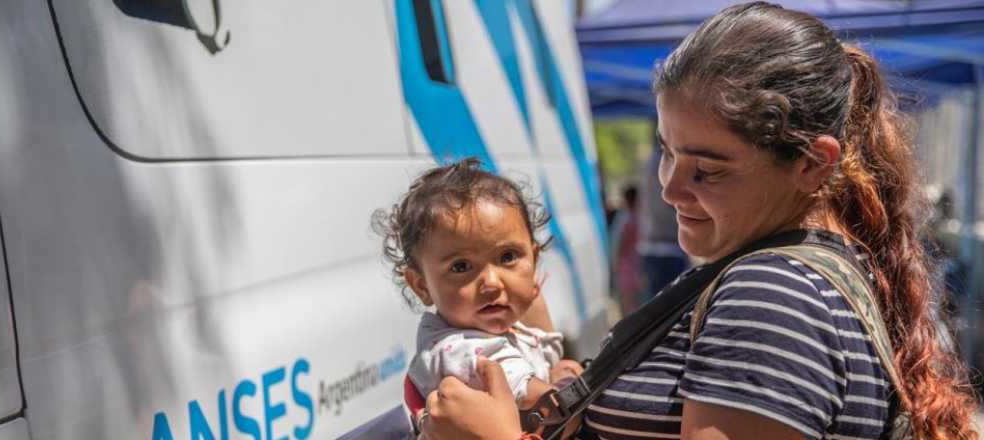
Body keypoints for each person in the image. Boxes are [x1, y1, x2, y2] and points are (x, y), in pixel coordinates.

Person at [418, 2, 980, 439]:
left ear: (812, 164)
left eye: (706, 170)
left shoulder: (773, 295)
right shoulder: (783, 269)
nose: (668, 186)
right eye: (666, 151)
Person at [372, 158, 584, 434]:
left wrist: (555, 369)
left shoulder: (502, 328)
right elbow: (551, 409)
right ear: (421, 286)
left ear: (534, 259)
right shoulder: (457, 350)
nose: (492, 283)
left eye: (507, 257)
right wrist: (566, 382)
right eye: (460, 267)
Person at [638, 145, 689, 300]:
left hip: (650, 247)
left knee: (656, 306)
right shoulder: (671, 160)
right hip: (670, 248)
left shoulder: (649, 163)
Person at [609, 185, 645, 312]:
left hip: (627, 265)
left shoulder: (625, 218)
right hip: (638, 262)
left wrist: (615, 263)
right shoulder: (640, 217)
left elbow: (619, 245)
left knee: (628, 302)